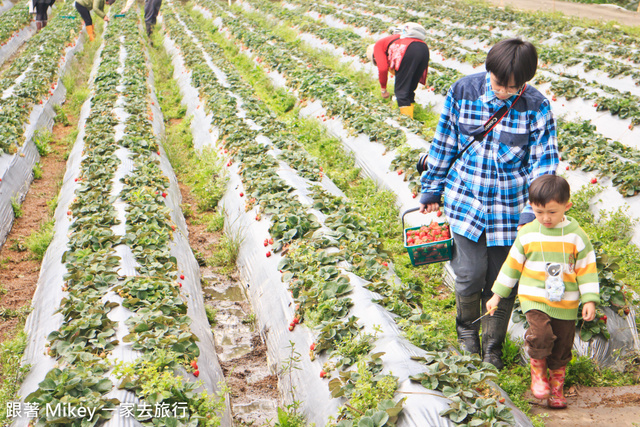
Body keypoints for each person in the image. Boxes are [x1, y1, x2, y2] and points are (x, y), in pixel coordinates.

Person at [417, 38, 559, 369]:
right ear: (488, 70)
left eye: (514, 87)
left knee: (502, 281)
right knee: (468, 274)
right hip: (466, 199)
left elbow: (545, 162)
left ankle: (492, 345)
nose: (505, 92)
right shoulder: (463, 92)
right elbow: (445, 141)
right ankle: (467, 333)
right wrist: (431, 188)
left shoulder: (536, 106)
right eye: (499, 84)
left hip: (510, 209)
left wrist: (532, 210)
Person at [486, 174, 599, 408]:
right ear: (531, 208)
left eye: (552, 212)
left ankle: (556, 389)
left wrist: (589, 299)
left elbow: (586, 268)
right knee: (540, 335)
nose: (545, 218)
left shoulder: (576, 236)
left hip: (566, 302)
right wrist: (497, 294)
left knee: (562, 348)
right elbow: (512, 265)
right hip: (533, 297)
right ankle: (538, 373)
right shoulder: (527, 234)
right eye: (539, 212)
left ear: (567, 206)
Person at [366, 22, 429, 119]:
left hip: (408, 49)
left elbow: (382, 68)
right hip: (424, 48)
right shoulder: (396, 38)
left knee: (401, 92)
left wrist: (383, 89)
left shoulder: (378, 46)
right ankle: (410, 117)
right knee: (409, 89)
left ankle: (408, 121)